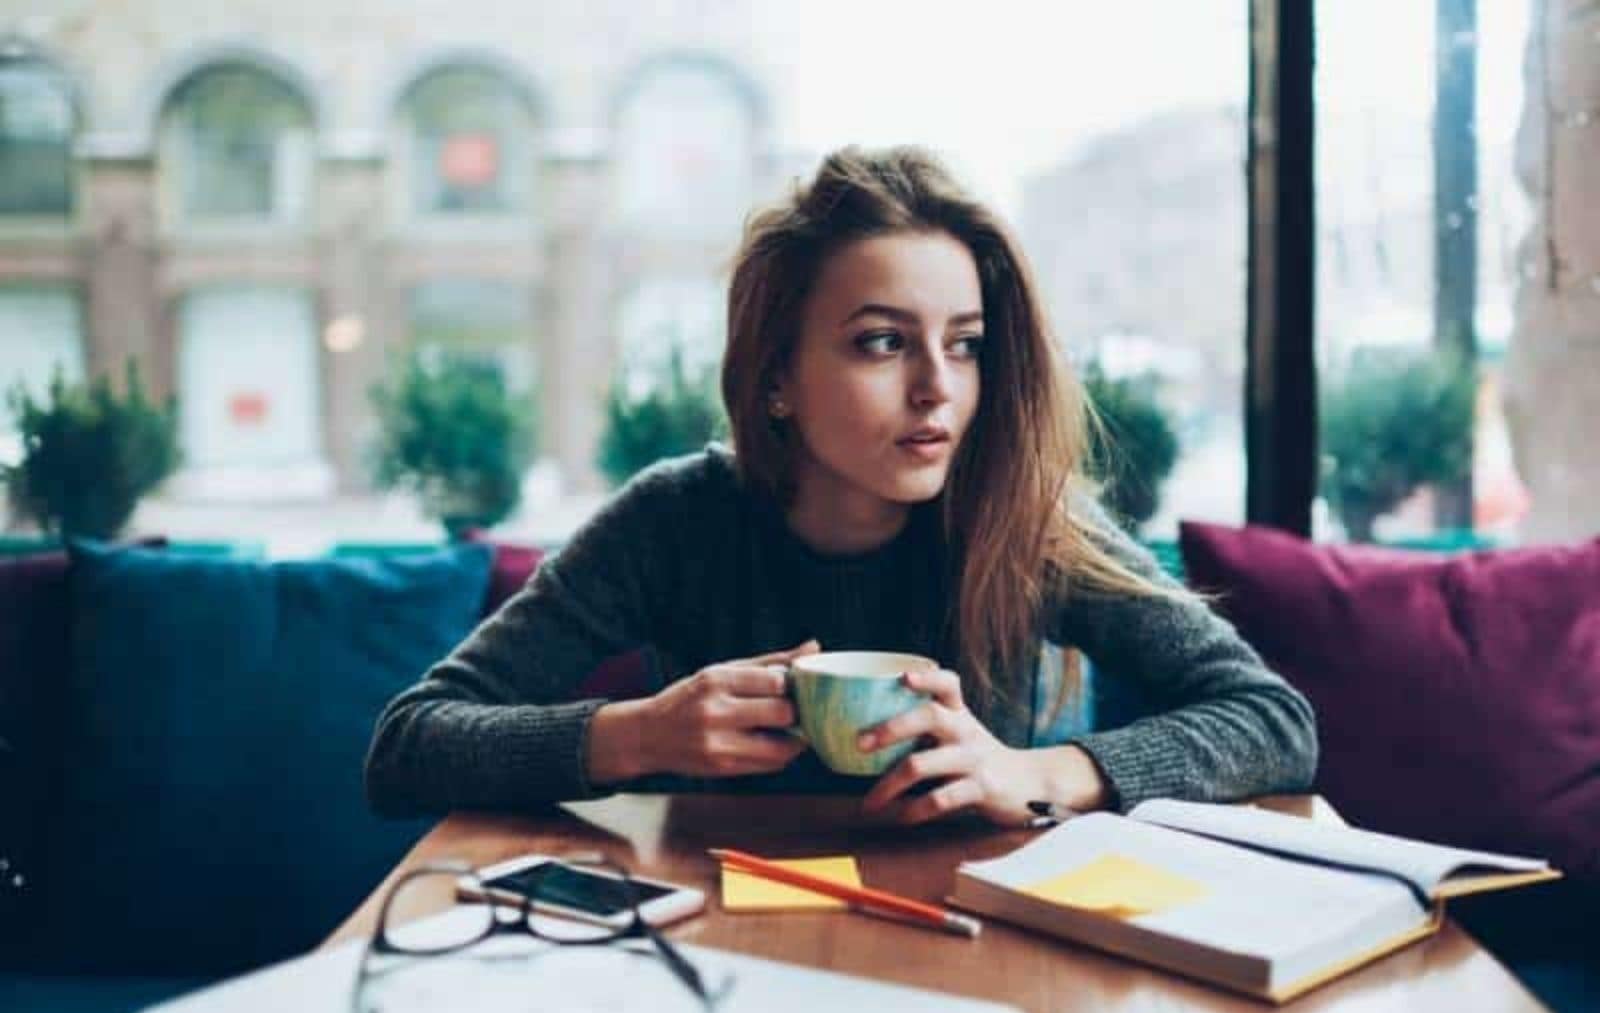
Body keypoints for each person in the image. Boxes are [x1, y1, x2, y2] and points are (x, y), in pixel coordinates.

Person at [365, 146, 1316, 827]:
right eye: (882, 342)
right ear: (776, 375)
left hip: (986, 947)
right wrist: (641, 735)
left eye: (966, 345)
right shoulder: (674, 522)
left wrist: (1041, 773)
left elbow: (1273, 721)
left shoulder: (1023, 519)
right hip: (731, 946)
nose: (938, 387)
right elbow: (408, 747)